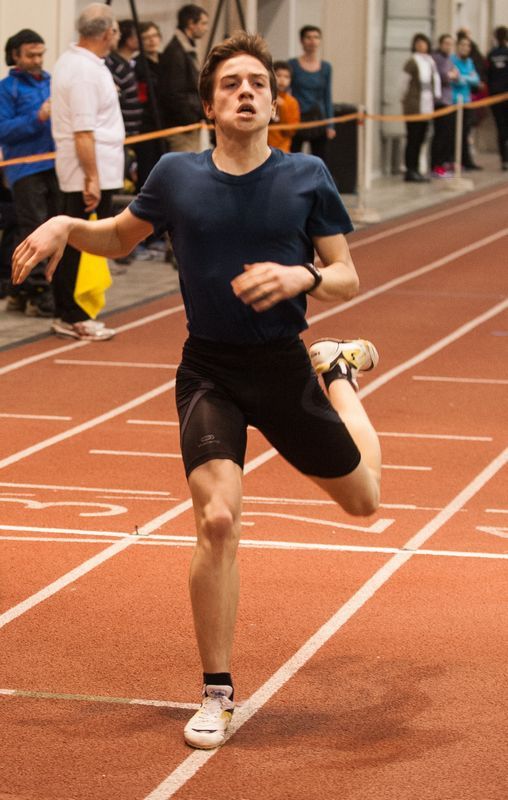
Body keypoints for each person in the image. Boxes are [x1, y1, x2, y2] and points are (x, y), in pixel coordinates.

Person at [12, 31, 381, 751]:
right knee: (216, 520)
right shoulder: (177, 175)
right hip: (211, 369)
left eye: (257, 83)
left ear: (272, 100)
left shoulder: (306, 175)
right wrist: (64, 223)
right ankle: (217, 692)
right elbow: (119, 238)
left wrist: (303, 275)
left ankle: (337, 373)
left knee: (365, 500)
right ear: (210, 106)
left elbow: (346, 275)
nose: (246, 92)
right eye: (230, 84)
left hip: (283, 367)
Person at [50, 3, 123, 341]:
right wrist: (91, 177)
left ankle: (77, 309)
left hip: (96, 168)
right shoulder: (81, 70)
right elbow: (83, 132)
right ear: (108, 33)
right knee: (79, 243)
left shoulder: (85, 64)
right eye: (116, 30)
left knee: (85, 242)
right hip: (87, 171)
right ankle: (71, 313)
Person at [0, 28, 59, 317]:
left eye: (40, 54)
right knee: (34, 230)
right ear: (15, 55)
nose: (37, 60)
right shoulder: (6, 89)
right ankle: (38, 293)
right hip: (24, 168)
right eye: (31, 55)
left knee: (52, 226)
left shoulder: (51, 82)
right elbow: (3, 130)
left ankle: (18, 292)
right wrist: (38, 117)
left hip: (55, 165)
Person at [158, 4, 209, 153]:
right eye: (203, 23)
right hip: (182, 127)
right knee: (185, 165)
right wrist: (191, 118)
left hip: (188, 124)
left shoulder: (184, 48)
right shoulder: (176, 52)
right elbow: (174, 92)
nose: (206, 28)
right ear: (191, 24)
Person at [289, 25, 336, 163]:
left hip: (318, 118)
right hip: (298, 118)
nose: (312, 41)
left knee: (320, 160)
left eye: (316, 37)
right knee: (293, 159)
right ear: (302, 41)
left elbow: (327, 96)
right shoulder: (292, 65)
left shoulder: (326, 67)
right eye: (308, 37)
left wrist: (330, 124)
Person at [400, 33, 441, 182]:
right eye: (418, 43)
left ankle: (417, 168)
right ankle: (410, 169)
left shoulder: (430, 61)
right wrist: (404, 98)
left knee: (421, 138)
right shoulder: (412, 61)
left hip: (427, 104)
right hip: (414, 105)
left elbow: (434, 81)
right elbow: (403, 82)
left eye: (423, 43)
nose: (421, 46)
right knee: (413, 137)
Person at [134, 21, 165, 190]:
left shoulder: (166, 60)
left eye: (154, 36)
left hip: (166, 122)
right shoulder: (137, 65)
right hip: (147, 125)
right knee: (148, 170)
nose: (152, 41)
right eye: (146, 38)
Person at [451, 36, 482, 170]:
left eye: (468, 45)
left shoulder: (469, 62)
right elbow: (454, 79)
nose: (465, 48)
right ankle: (452, 161)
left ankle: (466, 161)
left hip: (467, 101)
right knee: (454, 133)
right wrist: (466, 78)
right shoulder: (451, 60)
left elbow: (476, 80)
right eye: (463, 45)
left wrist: (462, 77)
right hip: (453, 101)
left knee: (466, 132)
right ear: (457, 46)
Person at [431, 34, 459, 177]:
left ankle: (443, 163)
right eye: (446, 43)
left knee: (448, 134)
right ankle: (436, 165)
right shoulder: (436, 58)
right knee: (440, 135)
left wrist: (453, 75)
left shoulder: (449, 59)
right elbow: (444, 76)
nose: (449, 46)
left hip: (449, 101)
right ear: (441, 44)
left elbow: (457, 75)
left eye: (451, 44)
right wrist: (451, 75)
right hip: (439, 102)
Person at [486, 25, 508, 171]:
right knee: (503, 128)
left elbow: (487, 74)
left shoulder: (491, 54)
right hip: (502, 95)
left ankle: (504, 159)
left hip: (494, 95)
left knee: (501, 128)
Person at [267, 60, 301, 152]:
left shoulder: (292, 102)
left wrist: (283, 107)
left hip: (282, 149)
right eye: (278, 75)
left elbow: (290, 131)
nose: (282, 80)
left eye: (286, 77)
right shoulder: (265, 97)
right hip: (263, 148)